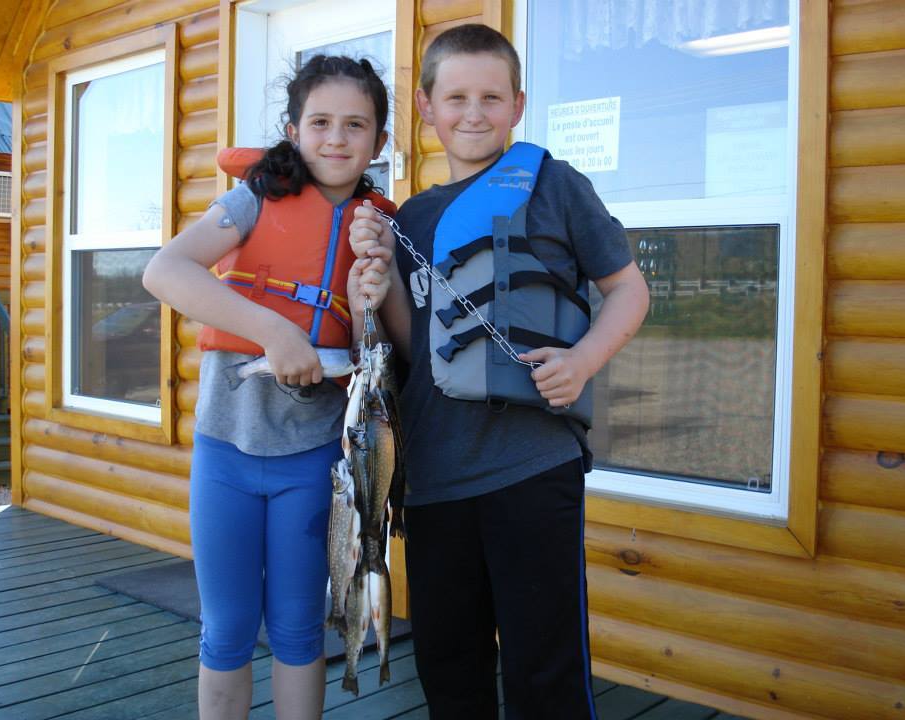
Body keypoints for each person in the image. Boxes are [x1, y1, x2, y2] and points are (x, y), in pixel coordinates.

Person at [349, 23, 650, 720]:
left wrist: (583, 362)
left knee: (545, 669)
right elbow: (410, 342)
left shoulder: (557, 187)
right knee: (450, 670)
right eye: (455, 97)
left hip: (531, 467)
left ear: (517, 104)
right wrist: (378, 279)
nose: (473, 113)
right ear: (426, 107)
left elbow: (629, 290)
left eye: (491, 97)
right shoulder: (410, 219)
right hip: (432, 485)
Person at [142, 55, 395, 720]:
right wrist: (273, 334)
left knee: (296, 629)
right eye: (320, 122)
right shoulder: (251, 200)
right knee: (225, 631)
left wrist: (369, 292)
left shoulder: (380, 230)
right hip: (225, 451)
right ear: (293, 129)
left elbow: (378, 352)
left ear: (380, 142)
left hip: (314, 463)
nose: (336, 138)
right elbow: (165, 272)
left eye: (355, 125)